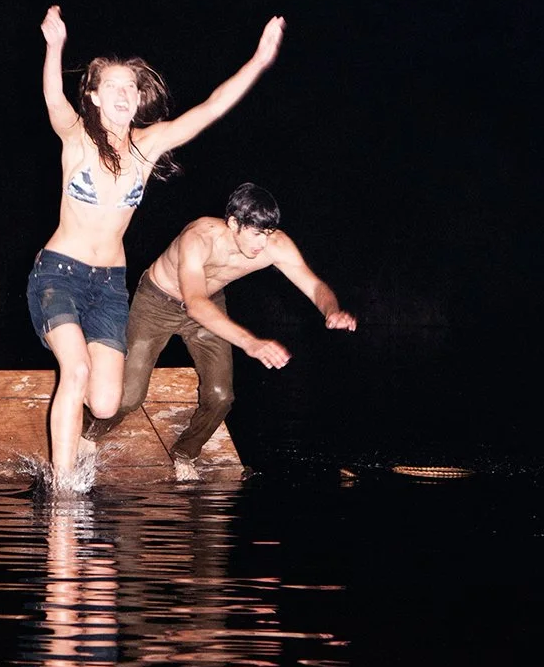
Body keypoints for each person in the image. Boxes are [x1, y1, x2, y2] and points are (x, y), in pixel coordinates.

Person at [29, 6, 285, 485]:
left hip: (108, 284)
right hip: (58, 274)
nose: (125, 94)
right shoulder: (76, 137)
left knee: (107, 402)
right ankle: (62, 491)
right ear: (95, 96)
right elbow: (51, 95)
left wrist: (259, 60)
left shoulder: (148, 147)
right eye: (113, 87)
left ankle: (67, 451)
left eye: (131, 87)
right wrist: (54, 47)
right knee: (77, 370)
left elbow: (210, 108)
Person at [83, 182, 357, 480]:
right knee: (129, 397)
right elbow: (195, 304)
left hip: (209, 305)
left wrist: (332, 311)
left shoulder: (274, 245)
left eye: (267, 234)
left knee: (221, 396)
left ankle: (185, 452)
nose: (262, 244)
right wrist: (250, 343)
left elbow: (315, 285)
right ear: (233, 223)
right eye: (255, 234)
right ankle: (86, 434)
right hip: (157, 303)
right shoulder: (198, 238)